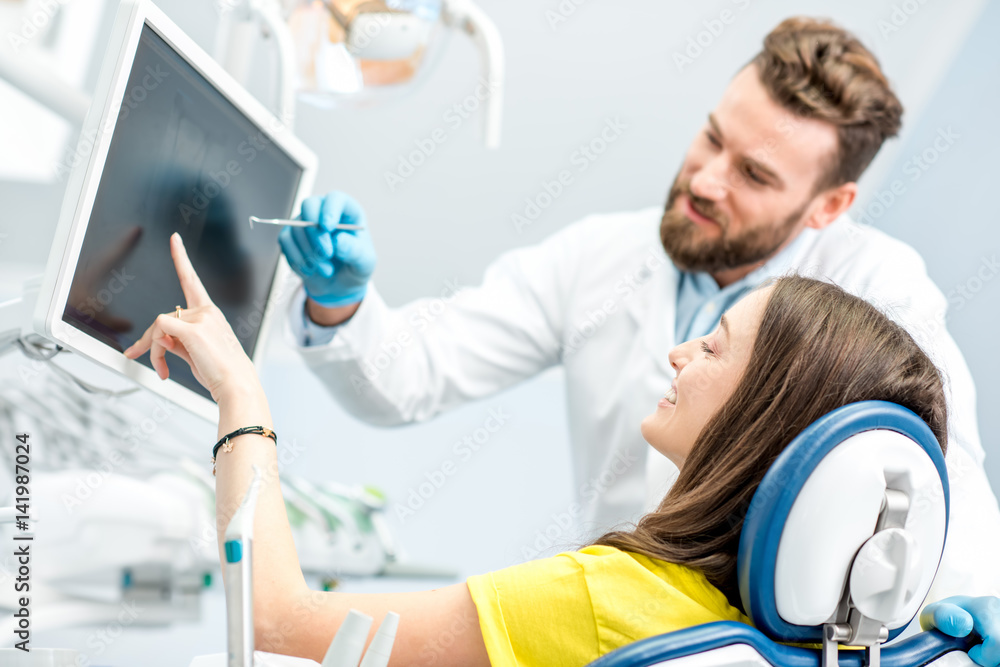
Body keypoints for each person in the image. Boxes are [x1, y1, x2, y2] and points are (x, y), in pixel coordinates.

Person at [277, 16, 1000, 623]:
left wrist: (973, 605)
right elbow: (412, 374)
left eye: (754, 176)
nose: (707, 180)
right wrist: (337, 300)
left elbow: (943, 475)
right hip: (620, 622)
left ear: (828, 205)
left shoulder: (876, 286)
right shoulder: (602, 257)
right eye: (713, 138)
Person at [125, 235, 996, 667]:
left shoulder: (607, 596)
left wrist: (240, 394)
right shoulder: (800, 644)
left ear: (762, 418)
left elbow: (274, 619)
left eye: (716, 345)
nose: (678, 353)